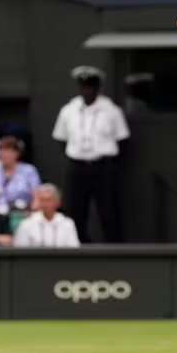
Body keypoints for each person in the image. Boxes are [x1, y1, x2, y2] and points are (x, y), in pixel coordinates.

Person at [52, 66, 129, 243]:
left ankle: (114, 248)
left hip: (103, 165)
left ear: (98, 88)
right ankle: (80, 246)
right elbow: (61, 138)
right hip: (77, 164)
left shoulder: (112, 111)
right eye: (83, 86)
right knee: (75, 209)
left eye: (91, 87)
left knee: (108, 209)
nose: (87, 91)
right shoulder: (68, 110)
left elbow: (123, 140)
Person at [0, 135, 41, 216]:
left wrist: (33, 210)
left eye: (10, 151)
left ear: (17, 153)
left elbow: (37, 194)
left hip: (23, 211)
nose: (5, 155)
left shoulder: (29, 170)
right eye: (2, 151)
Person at [13, 184, 80, 247]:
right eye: (42, 200)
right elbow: (20, 250)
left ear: (58, 202)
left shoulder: (67, 224)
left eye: (49, 200)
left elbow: (74, 249)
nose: (45, 204)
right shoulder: (26, 224)